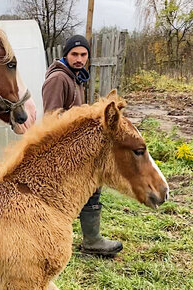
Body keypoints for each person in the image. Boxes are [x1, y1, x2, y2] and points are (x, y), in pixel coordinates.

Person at [42, 35, 123, 256]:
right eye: (74, 54)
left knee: (90, 188)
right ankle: (85, 240)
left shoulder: (76, 78)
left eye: (83, 54)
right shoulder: (59, 79)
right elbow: (51, 119)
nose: (79, 59)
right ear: (66, 55)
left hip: (76, 147)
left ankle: (91, 240)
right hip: (63, 149)